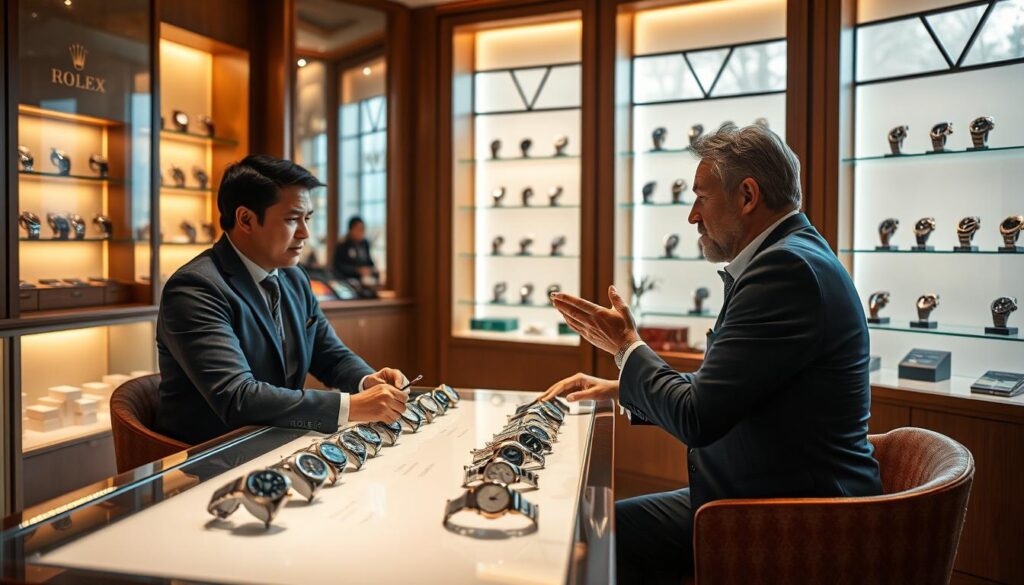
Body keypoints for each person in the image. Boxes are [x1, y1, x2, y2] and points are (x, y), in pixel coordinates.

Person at [541, 123, 882, 583]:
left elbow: (698, 416)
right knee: (597, 527)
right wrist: (623, 388)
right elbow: (721, 392)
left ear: (747, 195)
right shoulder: (790, 257)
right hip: (771, 494)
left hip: (801, 519)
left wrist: (626, 348)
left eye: (701, 197)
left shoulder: (785, 271)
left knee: (591, 535)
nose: (692, 216)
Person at [154, 155, 408, 445]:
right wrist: (351, 407)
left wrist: (367, 381)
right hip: (206, 458)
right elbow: (238, 398)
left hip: (275, 444)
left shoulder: (294, 277)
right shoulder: (195, 288)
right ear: (246, 219)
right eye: (291, 219)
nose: (305, 233)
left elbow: (329, 354)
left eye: (307, 218)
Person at [332, 215, 378, 282]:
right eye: (358, 229)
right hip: (346, 280)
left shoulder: (365, 243)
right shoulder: (343, 244)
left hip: (364, 280)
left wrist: (372, 269)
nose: (361, 232)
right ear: (351, 230)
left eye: (363, 229)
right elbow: (337, 266)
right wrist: (357, 270)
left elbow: (369, 261)